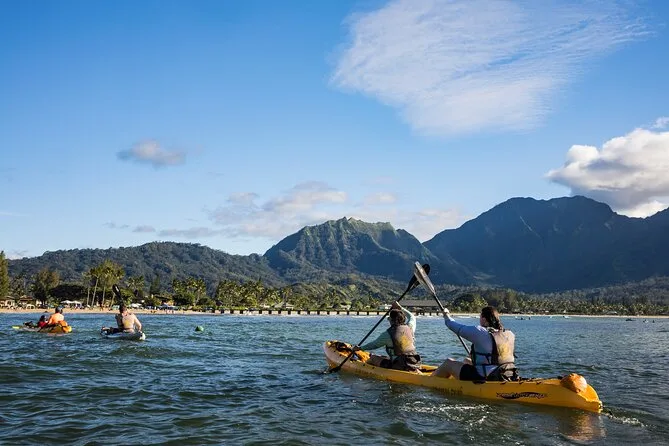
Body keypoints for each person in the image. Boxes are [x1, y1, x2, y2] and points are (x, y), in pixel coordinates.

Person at [432, 306, 517, 381]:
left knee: (448, 363)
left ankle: (430, 380)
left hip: (485, 377)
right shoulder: (509, 334)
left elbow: (452, 325)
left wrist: (446, 315)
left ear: (484, 319)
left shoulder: (481, 332)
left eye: (480, 317)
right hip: (507, 373)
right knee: (466, 360)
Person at [351, 301, 421, 372]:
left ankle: (365, 371)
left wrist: (360, 348)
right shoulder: (410, 327)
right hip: (414, 361)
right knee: (383, 357)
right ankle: (414, 369)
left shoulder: (388, 334)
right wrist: (400, 308)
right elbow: (412, 317)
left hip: (399, 365)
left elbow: (374, 345)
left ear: (392, 320)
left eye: (389, 319)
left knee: (373, 358)